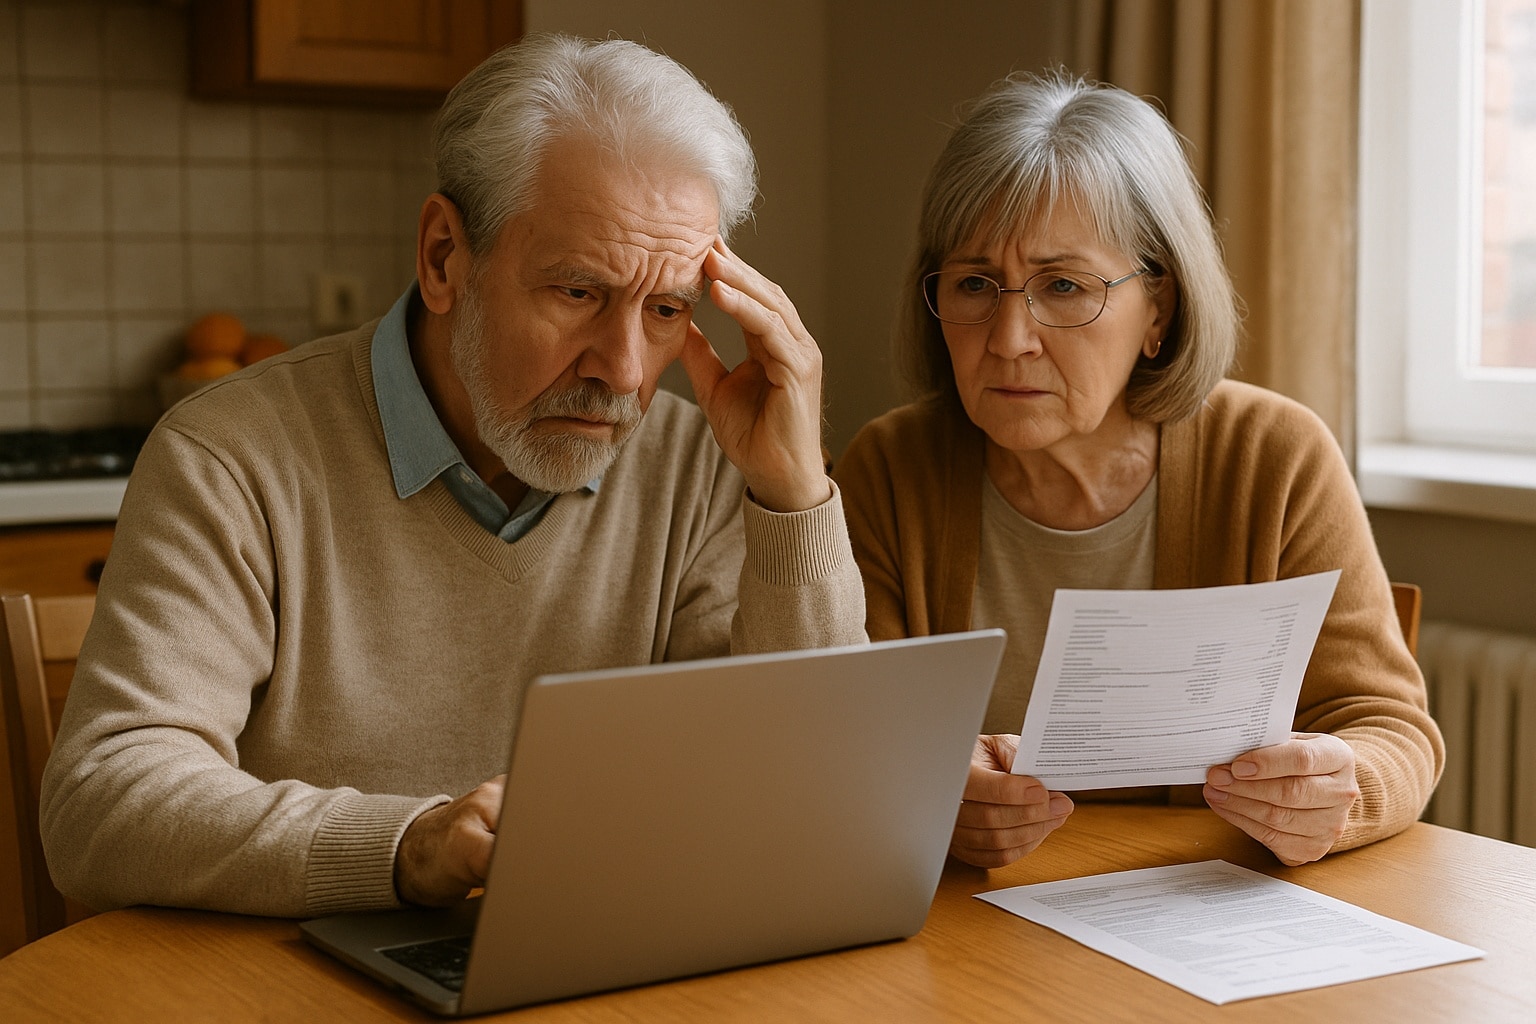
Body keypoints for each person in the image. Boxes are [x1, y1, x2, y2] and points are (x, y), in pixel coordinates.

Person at [40, 34, 864, 917]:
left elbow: (809, 795)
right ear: (443, 258)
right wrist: (408, 844)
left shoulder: (702, 468)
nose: (625, 372)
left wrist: (792, 495)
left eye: (667, 310)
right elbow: (103, 800)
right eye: (579, 292)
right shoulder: (230, 457)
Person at [833, 72, 1443, 870]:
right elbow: (847, 744)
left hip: (1205, 929)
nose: (1011, 335)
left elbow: (1388, 726)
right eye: (976, 283)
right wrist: (931, 794)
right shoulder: (890, 469)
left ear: (1158, 306)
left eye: (1063, 286)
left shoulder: (1273, 456)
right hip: (971, 935)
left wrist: (1339, 790)